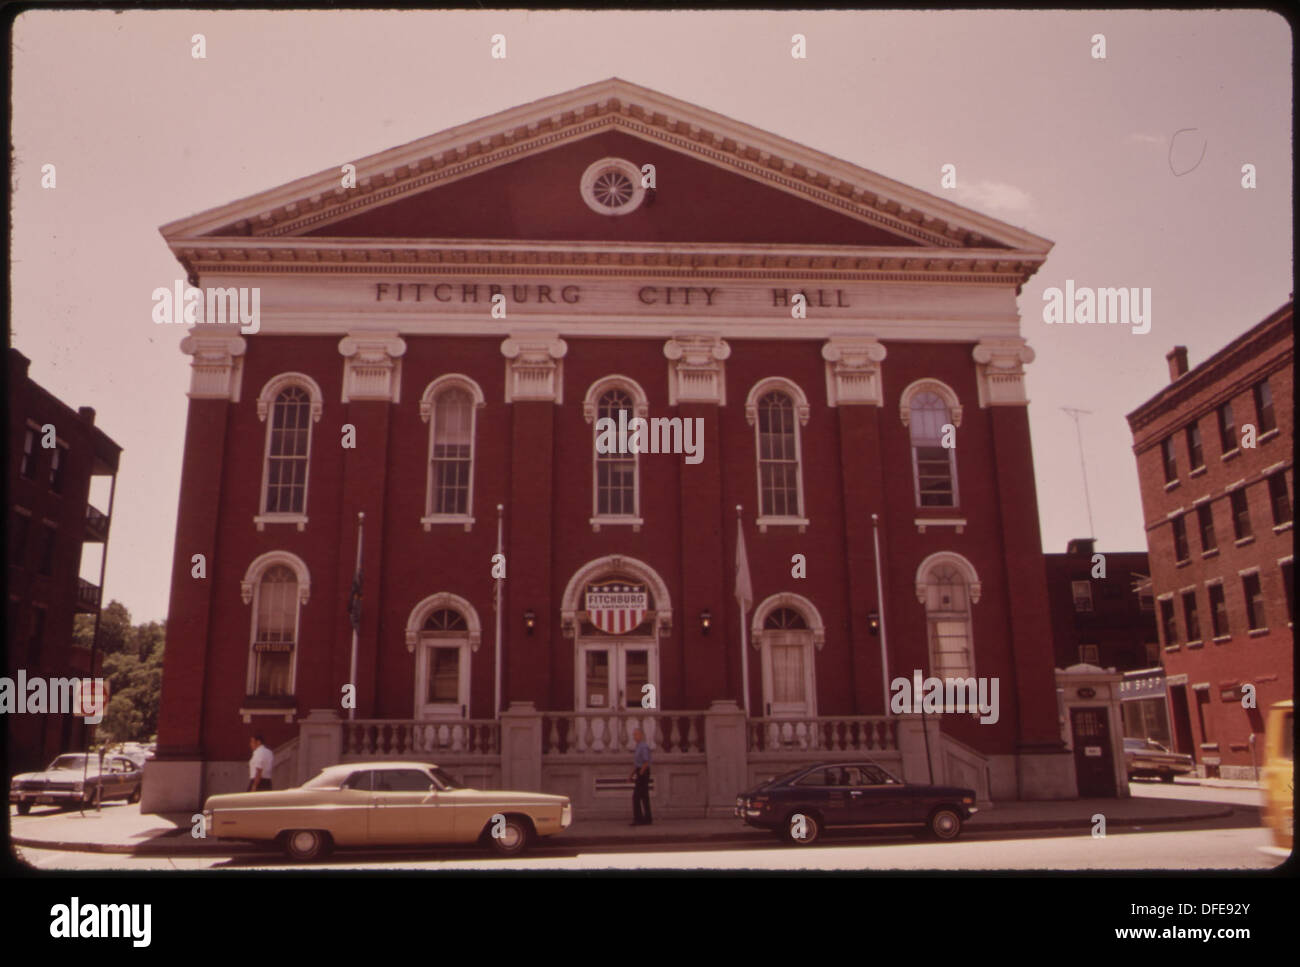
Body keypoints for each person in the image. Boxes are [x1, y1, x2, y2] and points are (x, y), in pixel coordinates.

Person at [629, 728, 652, 825]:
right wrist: (631, 774)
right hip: (639, 770)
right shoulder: (638, 746)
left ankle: (639, 819)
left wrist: (641, 773)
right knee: (644, 796)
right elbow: (637, 763)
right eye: (634, 735)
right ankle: (647, 818)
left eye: (637, 734)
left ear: (642, 735)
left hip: (643, 772)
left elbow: (646, 762)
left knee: (636, 796)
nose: (635, 737)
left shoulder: (644, 747)